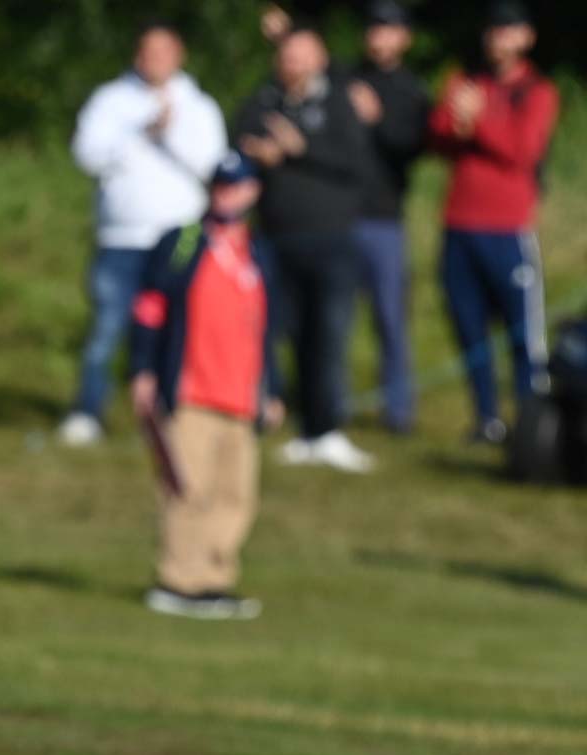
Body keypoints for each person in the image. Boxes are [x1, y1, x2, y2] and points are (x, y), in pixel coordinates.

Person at [60, 21, 227, 448]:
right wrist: (139, 132)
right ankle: (88, 411)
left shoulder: (199, 107)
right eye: (147, 52)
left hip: (181, 234)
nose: (154, 61)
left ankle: (170, 413)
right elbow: (86, 154)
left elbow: (213, 168)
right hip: (120, 236)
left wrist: (168, 133)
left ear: (179, 56)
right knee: (108, 325)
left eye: (163, 52)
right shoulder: (111, 101)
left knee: (175, 326)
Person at [130, 151, 274, 622]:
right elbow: (151, 308)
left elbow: (267, 329)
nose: (227, 194)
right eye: (220, 185)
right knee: (188, 487)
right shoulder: (184, 241)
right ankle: (178, 579)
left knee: (236, 495)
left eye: (236, 186)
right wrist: (144, 370)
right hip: (192, 389)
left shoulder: (258, 251)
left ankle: (214, 578)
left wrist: (272, 389)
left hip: (240, 394)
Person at [235, 26, 375, 474]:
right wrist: (259, 152)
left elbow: (356, 163)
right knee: (285, 334)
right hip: (275, 239)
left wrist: (301, 149)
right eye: (287, 55)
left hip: (331, 239)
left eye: (302, 56)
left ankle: (328, 428)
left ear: (320, 60)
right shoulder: (263, 101)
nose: (292, 63)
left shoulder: (338, 103)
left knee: (329, 336)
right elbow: (236, 141)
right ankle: (298, 425)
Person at [429, 0, 559, 445]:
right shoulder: (468, 82)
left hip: (507, 230)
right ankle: (486, 418)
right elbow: (440, 135)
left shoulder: (537, 92)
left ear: (526, 38)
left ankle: (532, 425)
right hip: (459, 225)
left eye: (509, 30)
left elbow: (521, 150)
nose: (498, 38)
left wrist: (478, 118)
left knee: (522, 332)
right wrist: (459, 116)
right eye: (493, 30)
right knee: (469, 327)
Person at [347, 1, 430, 436]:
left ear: (404, 38)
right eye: (375, 27)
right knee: (335, 317)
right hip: (339, 215)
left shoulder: (412, 91)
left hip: (383, 220)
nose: (380, 36)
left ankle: (398, 411)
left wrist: (376, 119)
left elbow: (411, 149)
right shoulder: (344, 78)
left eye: (389, 29)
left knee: (390, 318)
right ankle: (331, 404)